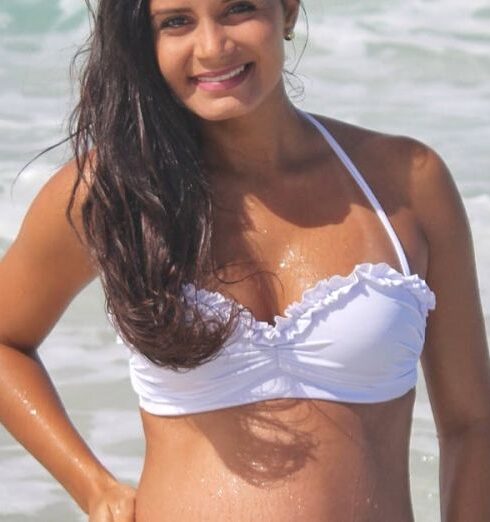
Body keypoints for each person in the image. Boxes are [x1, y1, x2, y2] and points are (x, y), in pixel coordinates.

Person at [1, 0, 489, 520]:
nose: (212, 47)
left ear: (288, 11)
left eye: (237, 10)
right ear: (147, 41)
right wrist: (95, 487)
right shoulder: (118, 194)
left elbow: (472, 423)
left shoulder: (405, 184)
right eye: (176, 22)